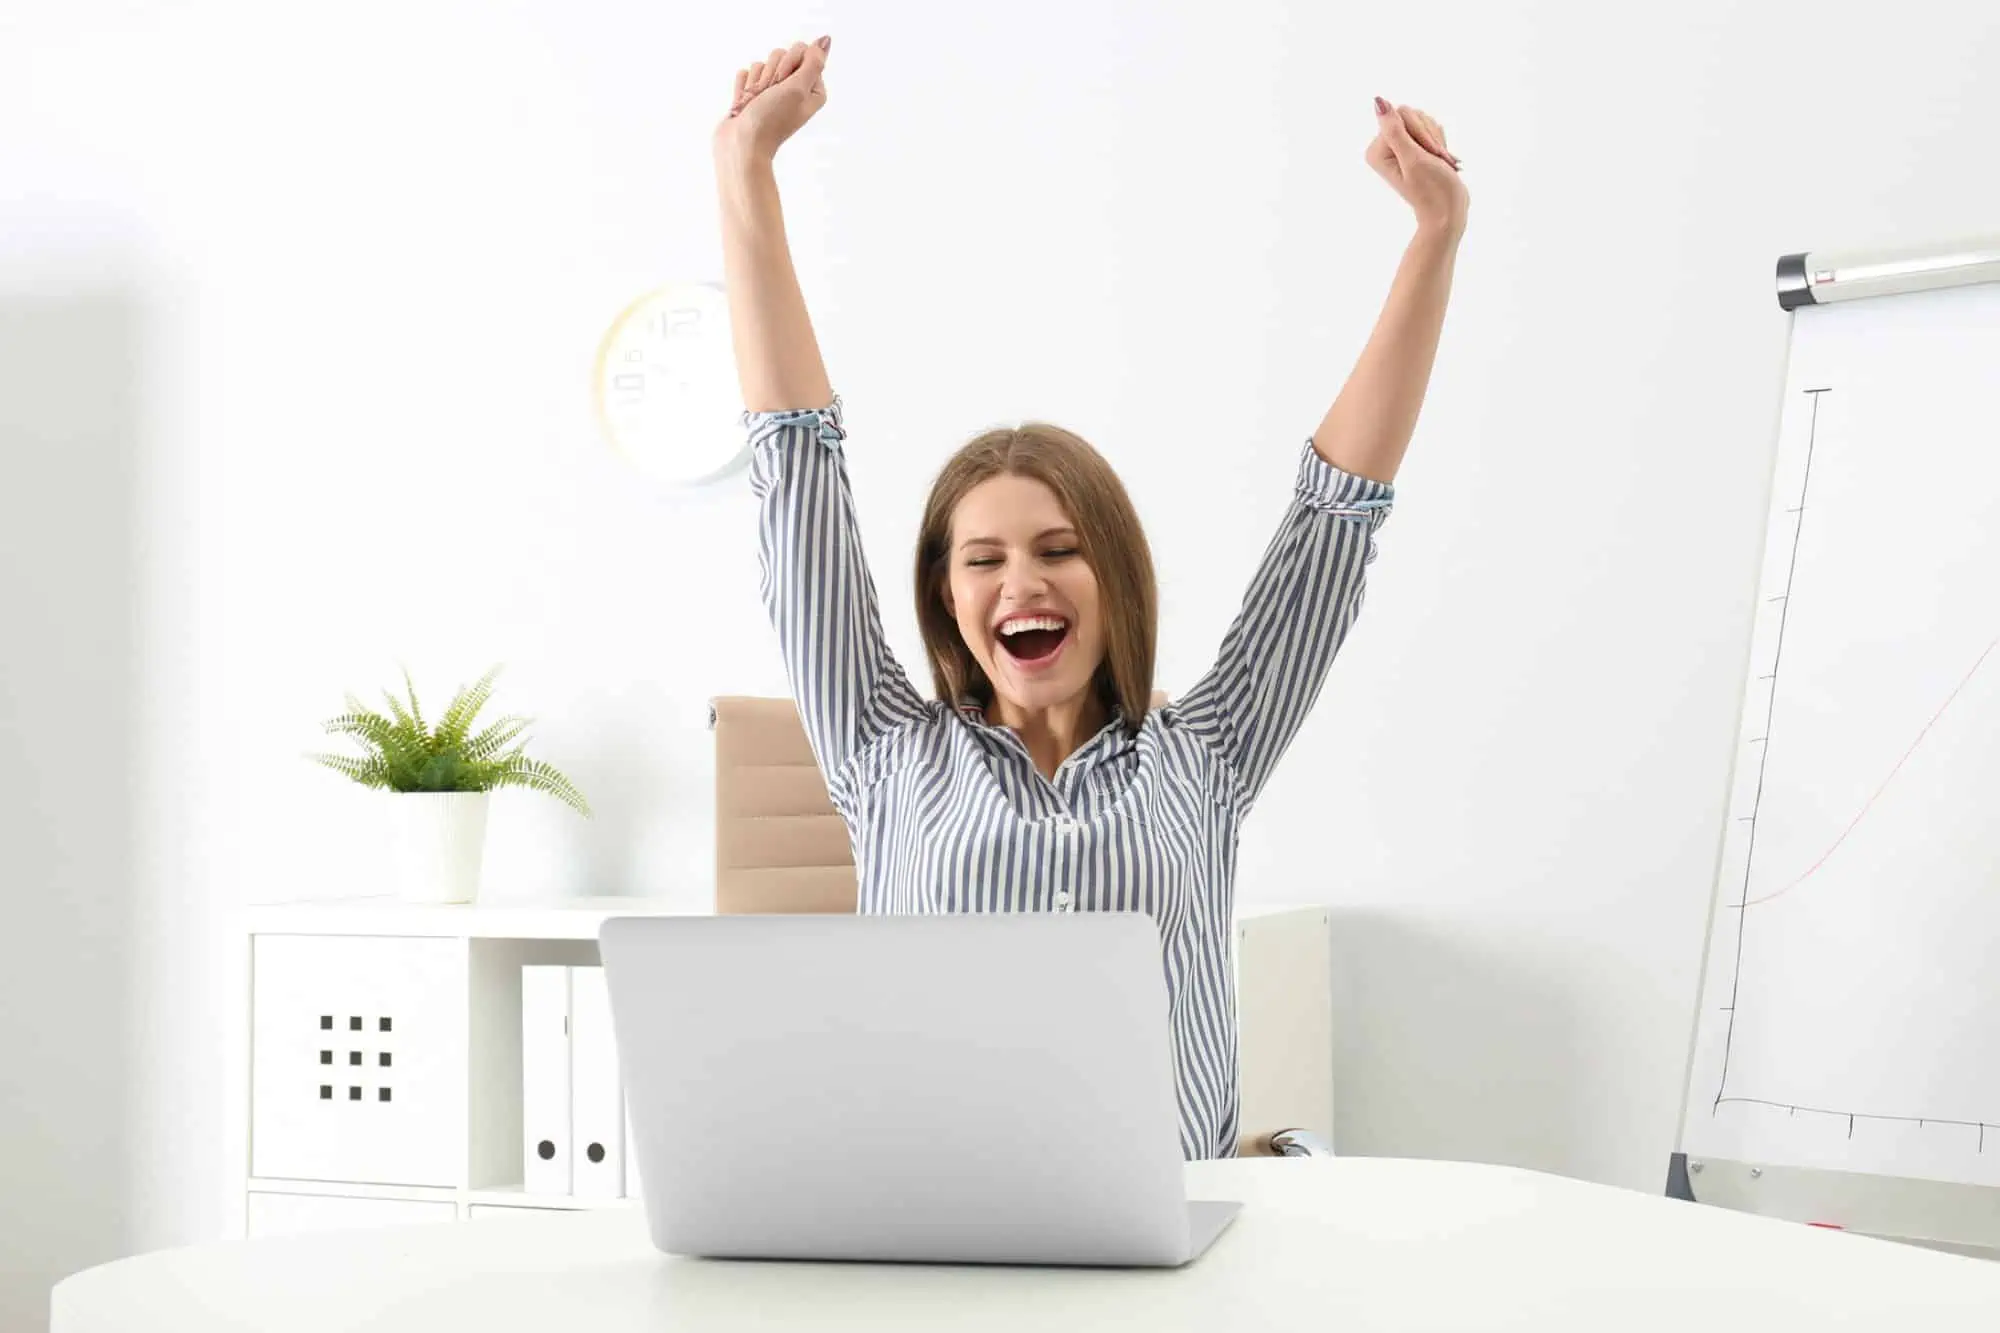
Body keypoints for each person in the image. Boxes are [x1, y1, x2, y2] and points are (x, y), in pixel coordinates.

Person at [714, 35, 1466, 1159]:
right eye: (981, 560)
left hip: (1166, 1254)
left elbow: (1334, 517)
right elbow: (797, 479)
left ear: (1112, 575)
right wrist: (745, 174)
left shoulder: (1205, 754)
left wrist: (1433, 235)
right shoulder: (882, 751)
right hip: (941, 1236)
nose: (1020, 581)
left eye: (1058, 549)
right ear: (947, 595)